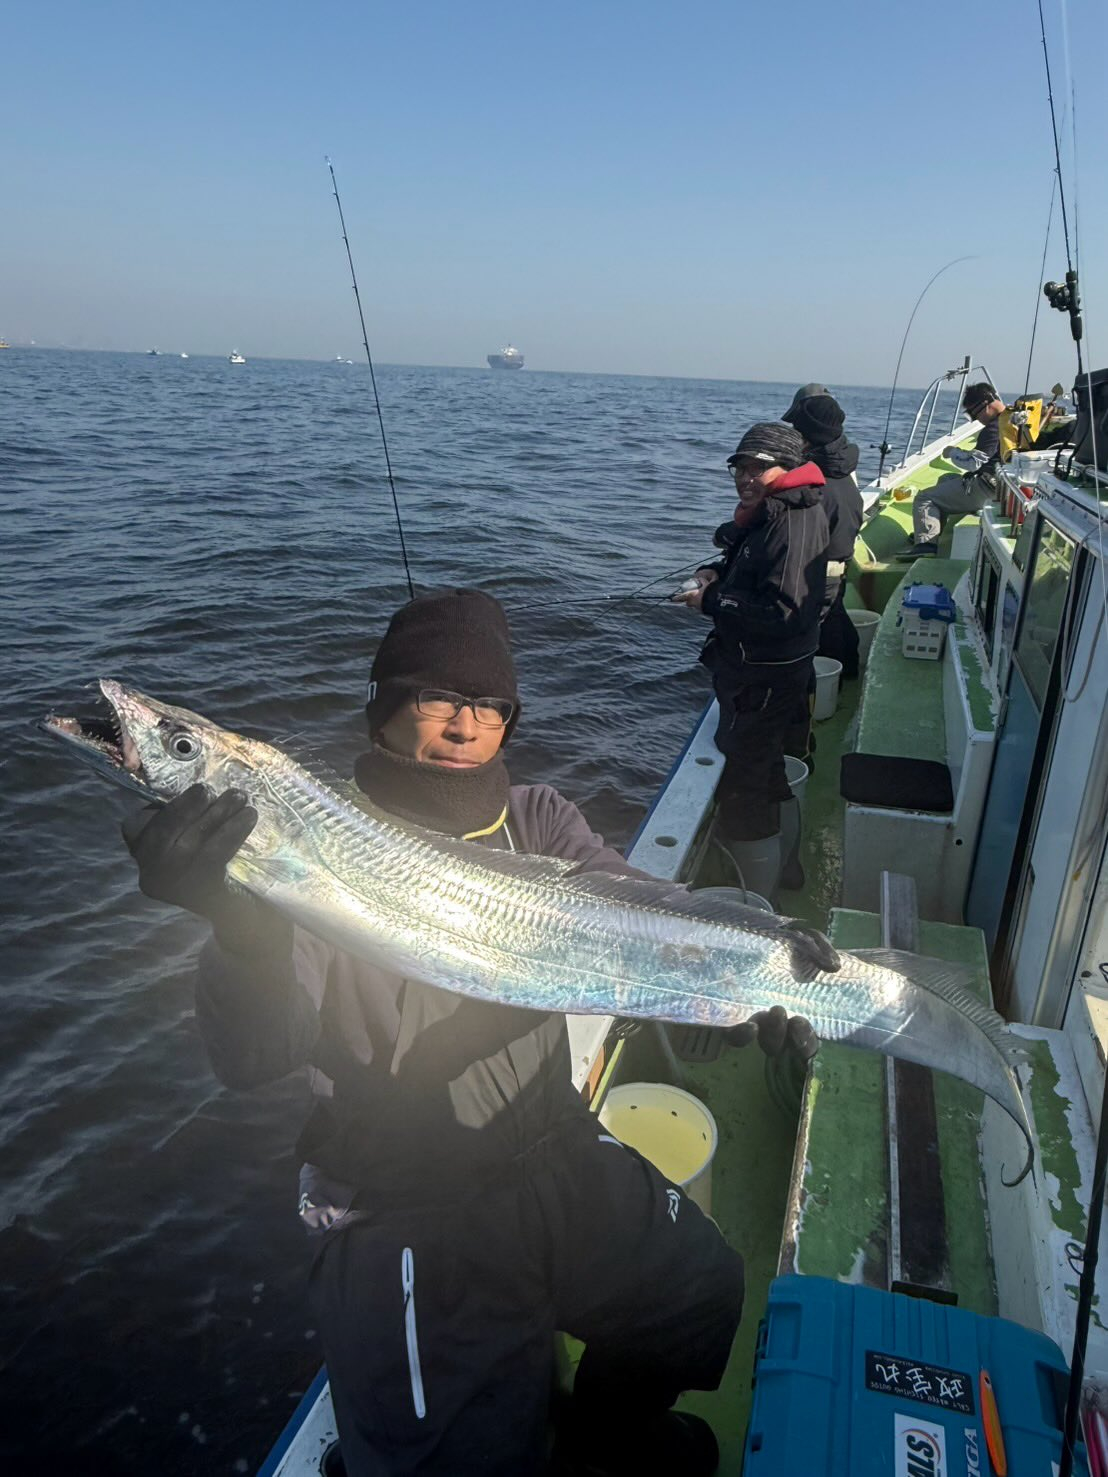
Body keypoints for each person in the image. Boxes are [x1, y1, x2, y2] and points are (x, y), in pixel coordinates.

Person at [119, 587, 817, 1477]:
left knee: (702, 1291)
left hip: (553, 1143)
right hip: (400, 1199)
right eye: (437, 697)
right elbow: (252, 1057)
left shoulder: (537, 819)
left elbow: (647, 910)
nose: (465, 724)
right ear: (382, 707)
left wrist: (757, 957)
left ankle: (602, 1439)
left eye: (490, 705)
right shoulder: (301, 853)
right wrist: (241, 930)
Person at [674, 423, 830, 901]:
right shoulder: (774, 510)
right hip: (760, 675)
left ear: (786, 468)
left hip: (764, 681)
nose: (745, 477)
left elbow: (785, 612)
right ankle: (787, 872)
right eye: (740, 467)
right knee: (769, 773)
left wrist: (712, 600)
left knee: (745, 791)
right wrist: (713, 572)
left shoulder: (793, 521)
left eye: (758, 467)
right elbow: (753, 569)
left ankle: (759, 904)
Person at [782, 384, 864, 679]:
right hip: (840, 561)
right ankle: (849, 672)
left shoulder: (813, 476)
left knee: (816, 628)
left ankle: (828, 687)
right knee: (835, 615)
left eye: (797, 429)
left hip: (819, 568)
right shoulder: (843, 463)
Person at [900, 382, 1007, 560]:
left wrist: (952, 453)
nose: (977, 420)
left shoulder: (993, 428)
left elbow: (974, 464)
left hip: (987, 489)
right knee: (946, 479)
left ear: (986, 404)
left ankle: (926, 545)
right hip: (1002, 489)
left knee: (924, 498)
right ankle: (930, 531)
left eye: (975, 414)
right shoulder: (1010, 419)